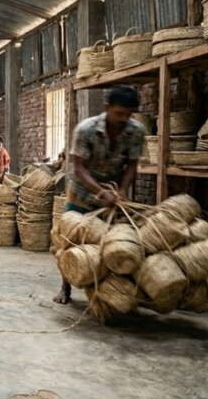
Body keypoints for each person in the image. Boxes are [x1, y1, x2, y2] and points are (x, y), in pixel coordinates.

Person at [56, 85, 146, 304]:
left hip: (114, 193)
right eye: (118, 113)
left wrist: (122, 189)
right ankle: (65, 288)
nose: (123, 118)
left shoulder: (136, 131)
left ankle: (105, 290)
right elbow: (78, 167)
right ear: (107, 108)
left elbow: (132, 166)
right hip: (81, 192)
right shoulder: (85, 130)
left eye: (128, 114)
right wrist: (100, 191)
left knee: (110, 242)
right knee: (71, 240)